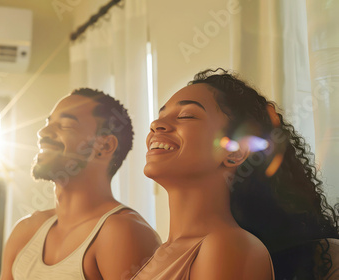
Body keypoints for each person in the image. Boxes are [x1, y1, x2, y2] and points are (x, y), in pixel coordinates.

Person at [132, 68, 339, 280]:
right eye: (160, 116)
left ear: (235, 152)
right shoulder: (162, 254)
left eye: (186, 115)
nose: (156, 125)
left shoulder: (227, 247)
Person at [0, 88, 161, 280]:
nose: (43, 132)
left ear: (105, 146)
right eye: (48, 123)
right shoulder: (25, 230)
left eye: (65, 125)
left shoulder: (124, 233)